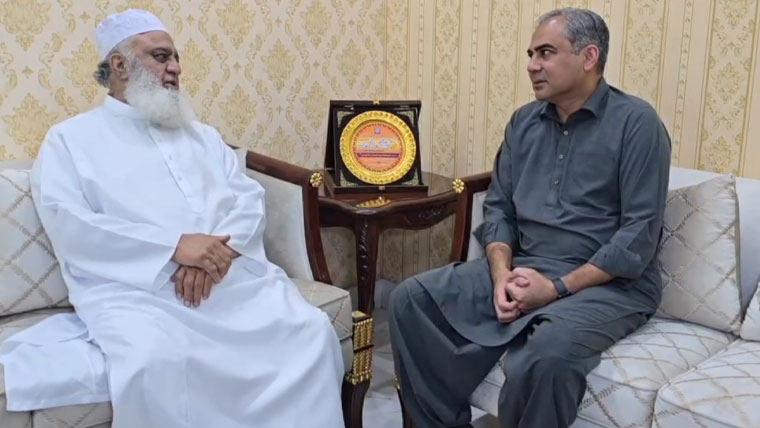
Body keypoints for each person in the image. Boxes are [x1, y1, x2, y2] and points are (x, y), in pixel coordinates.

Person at [0, 9, 344, 428]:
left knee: (310, 332)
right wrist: (175, 249)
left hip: (230, 282)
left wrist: (213, 255)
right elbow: (71, 225)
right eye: (161, 56)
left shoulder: (203, 135)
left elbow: (248, 199)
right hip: (140, 294)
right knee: (153, 361)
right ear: (119, 65)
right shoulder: (69, 140)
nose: (176, 68)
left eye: (176, 57)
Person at [390, 8, 671, 428]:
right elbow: (499, 207)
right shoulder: (523, 122)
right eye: (531, 54)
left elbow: (638, 235)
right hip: (527, 264)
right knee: (411, 299)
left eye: (546, 53)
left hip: (611, 284)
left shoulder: (637, 123)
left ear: (589, 57)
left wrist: (554, 289)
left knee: (547, 353)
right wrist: (501, 274)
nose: (532, 65)